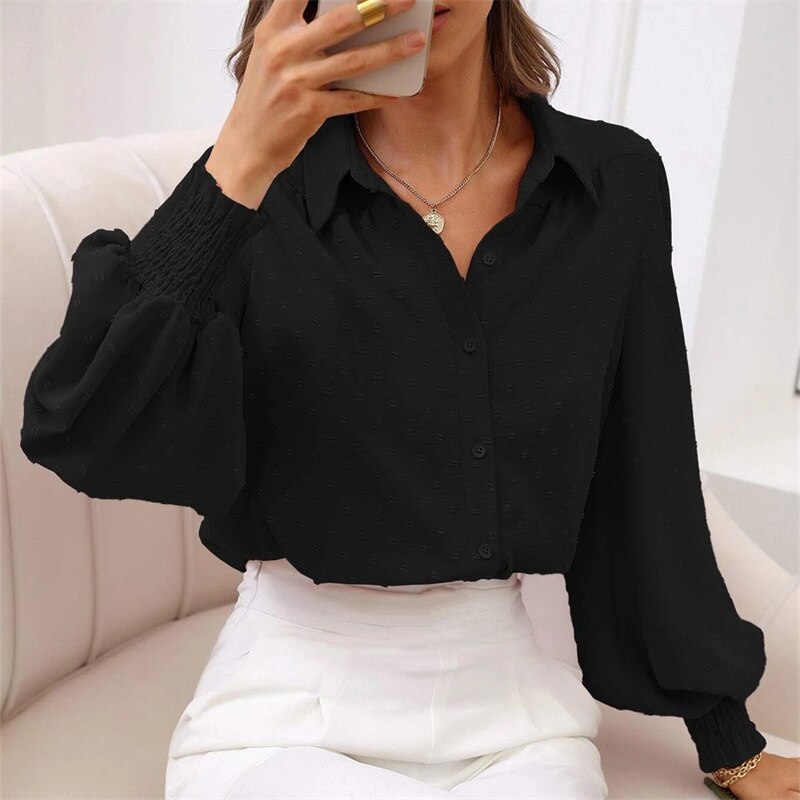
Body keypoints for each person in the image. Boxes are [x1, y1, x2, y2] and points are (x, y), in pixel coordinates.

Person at [18, 0, 800, 798]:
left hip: (513, 719)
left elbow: (645, 475)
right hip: (286, 710)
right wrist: (241, 157)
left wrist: (728, 742)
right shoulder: (255, 191)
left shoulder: (611, 186)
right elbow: (81, 424)